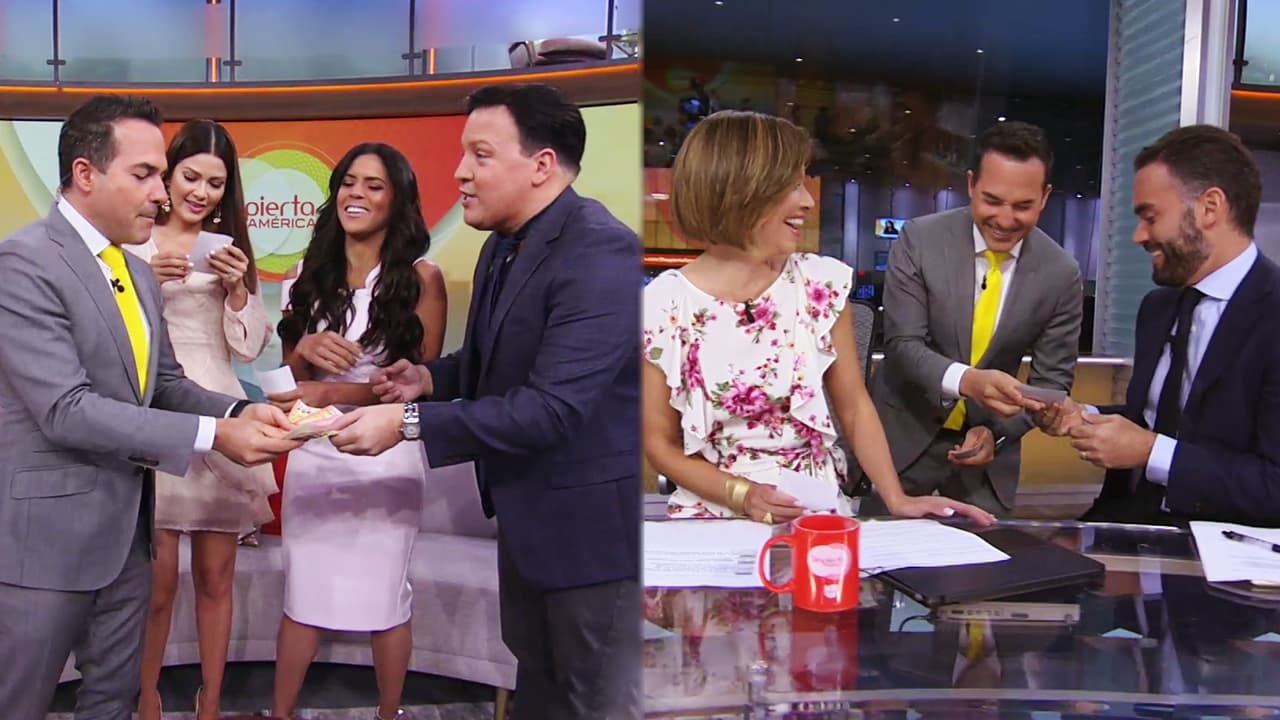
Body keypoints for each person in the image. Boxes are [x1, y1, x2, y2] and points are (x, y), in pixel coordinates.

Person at [323, 83, 642, 720]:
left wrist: (406, 421)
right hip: (525, 524)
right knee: (539, 692)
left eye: (481, 155)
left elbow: (550, 408)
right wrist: (428, 379)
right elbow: (494, 360)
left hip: (589, 541)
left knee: (594, 700)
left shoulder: (600, 251)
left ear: (541, 165)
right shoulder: (502, 243)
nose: (460, 172)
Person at [0, 94, 298, 720]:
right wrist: (213, 436)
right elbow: (67, 409)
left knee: (113, 702)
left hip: (128, 539)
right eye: (144, 175)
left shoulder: (133, 273)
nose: (163, 194)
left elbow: (162, 382)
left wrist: (237, 413)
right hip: (47, 545)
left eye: (162, 175)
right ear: (85, 174)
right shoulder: (24, 263)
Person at [639, 110, 992, 526]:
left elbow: (854, 408)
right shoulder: (663, 303)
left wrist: (897, 499)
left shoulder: (819, 283)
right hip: (713, 510)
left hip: (813, 508)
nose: (808, 201)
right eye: (791, 186)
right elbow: (660, 445)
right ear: (739, 190)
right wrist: (743, 494)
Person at [268, 142, 447, 720]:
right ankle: (281, 712)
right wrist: (304, 349)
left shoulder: (422, 279)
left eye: (374, 185)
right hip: (316, 455)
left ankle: (388, 712)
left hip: (387, 453)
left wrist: (334, 393)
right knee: (303, 594)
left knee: (385, 597)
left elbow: (420, 383)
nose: (357, 194)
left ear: (397, 200)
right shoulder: (301, 277)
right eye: (349, 182)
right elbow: (287, 383)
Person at [1031, 125, 1280, 526]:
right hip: (1122, 528)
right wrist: (1084, 416)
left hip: (1219, 551)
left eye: (1150, 217)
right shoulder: (1158, 307)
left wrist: (1151, 452)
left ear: (1210, 208)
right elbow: (1156, 419)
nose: (1138, 235)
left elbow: (1273, 486)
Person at [126, 118, 276, 720]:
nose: (202, 192)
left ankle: (209, 701)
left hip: (221, 415)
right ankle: (146, 698)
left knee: (217, 579)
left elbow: (248, 347)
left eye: (216, 183)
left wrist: (238, 292)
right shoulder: (134, 241)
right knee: (157, 586)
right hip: (156, 415)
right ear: (168, 175)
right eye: (191, 177)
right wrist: (147, 282)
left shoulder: (228, 250)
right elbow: (115, 335)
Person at [862, 121, 1083, 518]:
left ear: (1045, 198)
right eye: (992, 200)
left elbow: (1051, 383)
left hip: (985, 464)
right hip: (899, 446)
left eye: (1023, 206)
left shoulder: (1061, 273)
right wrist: (968, 382)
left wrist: (998, 435)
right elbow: (902, 345)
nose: (1005, 219)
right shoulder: (920, 240)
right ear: (970, 185)